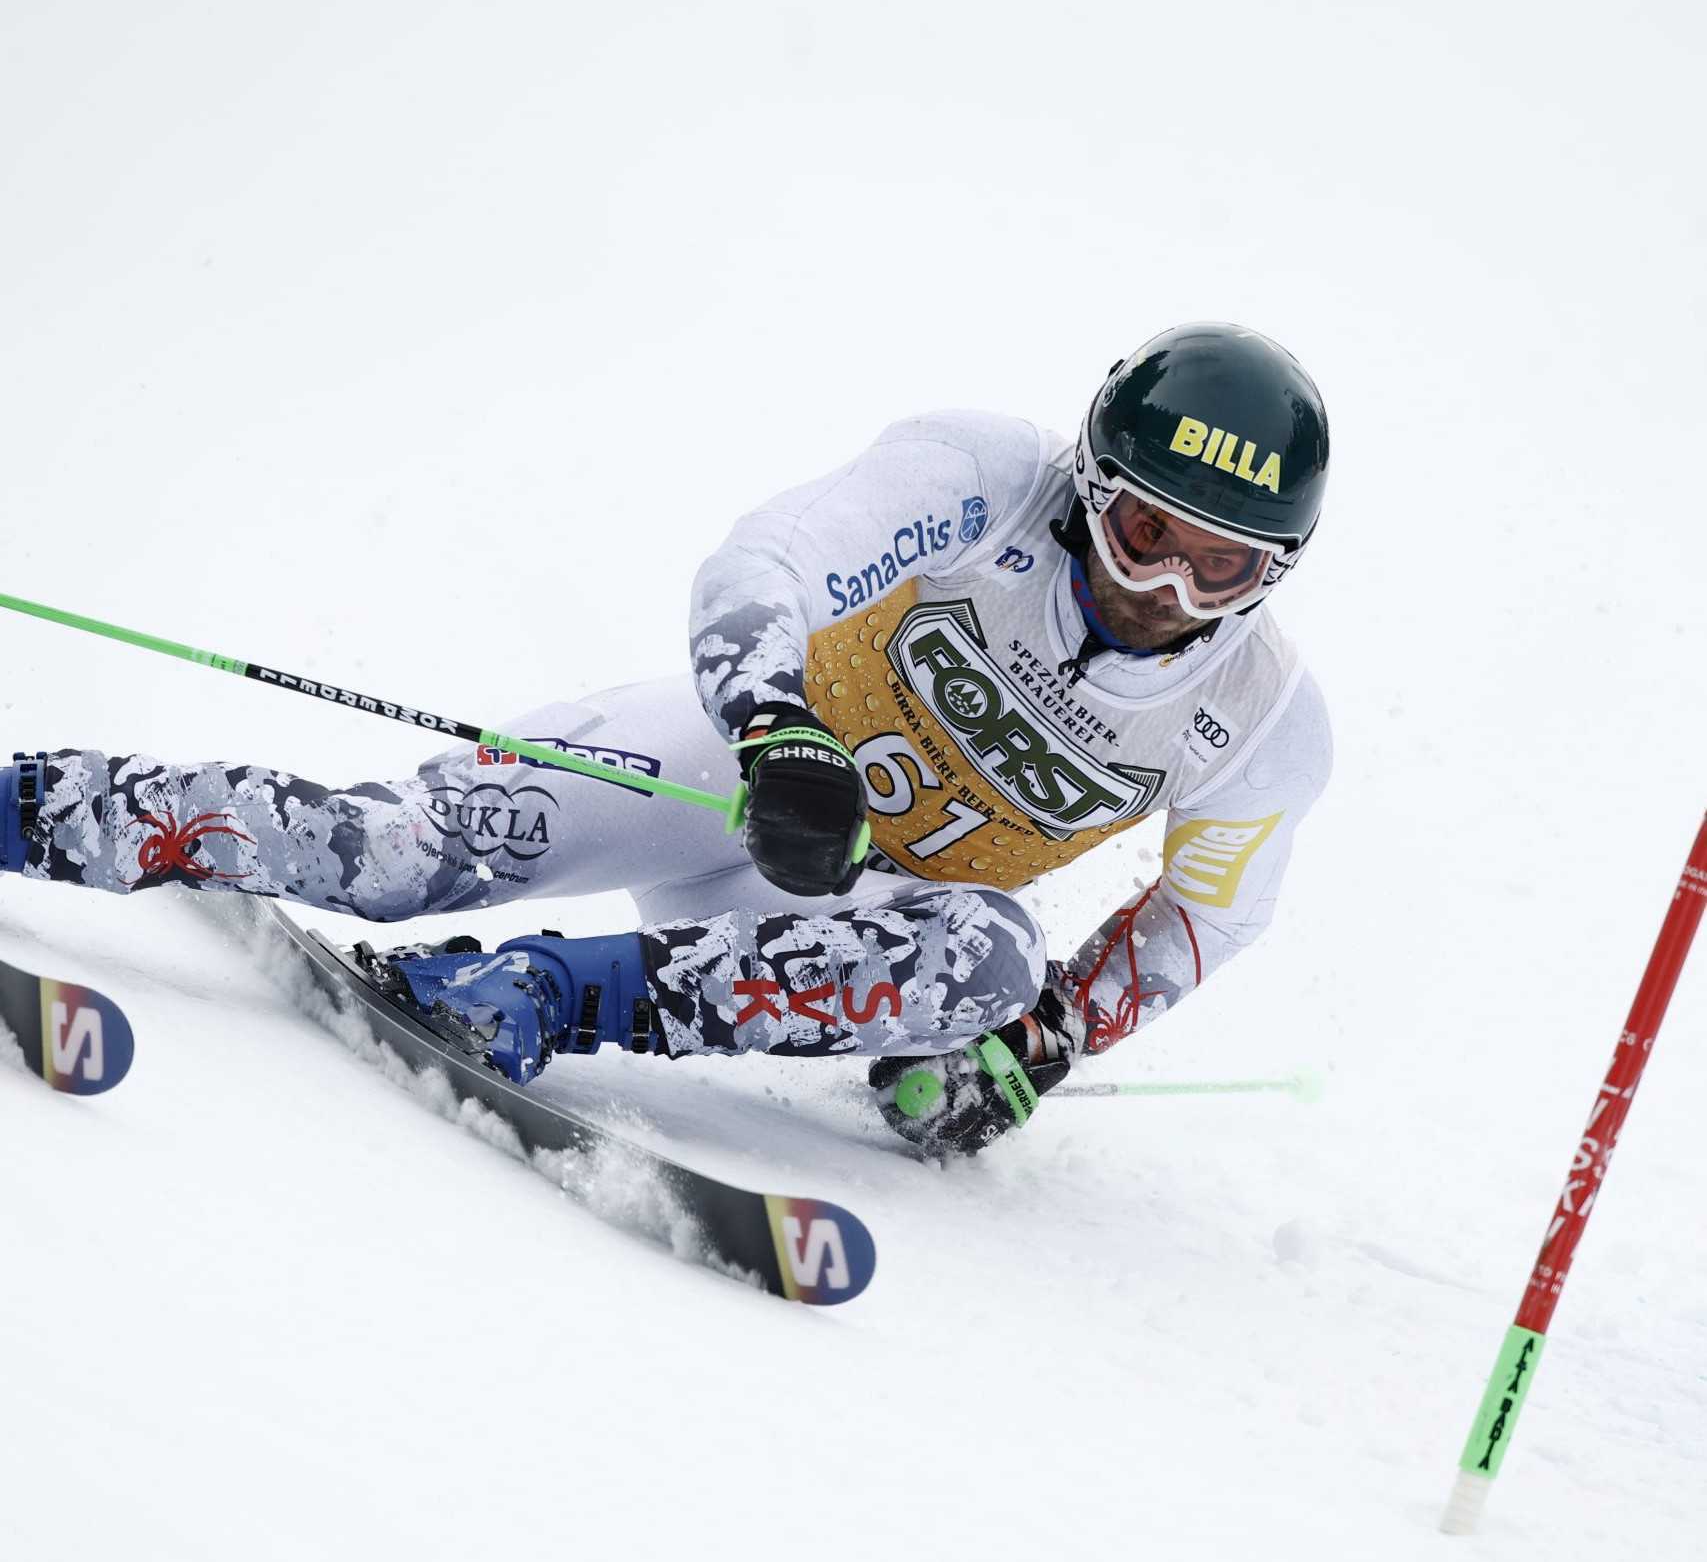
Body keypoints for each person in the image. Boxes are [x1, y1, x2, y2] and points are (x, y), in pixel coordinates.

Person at [0, 322, 1332, 1154]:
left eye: (1218, 567)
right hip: (719, 777)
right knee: (390, 857)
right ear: (1094, 486)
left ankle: (535, 992)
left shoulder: (1261, 721)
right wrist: (779, 729)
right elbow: (768, 564)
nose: (1162, 590)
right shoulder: (988, 478)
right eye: (1145, 533)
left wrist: (1042, 1045)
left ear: (1271, 572)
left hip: (847, 919)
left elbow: (1205, 918)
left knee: (989, 959)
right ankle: (48, 806)